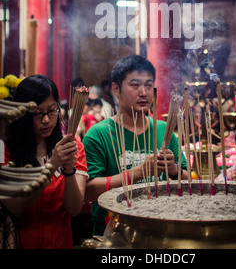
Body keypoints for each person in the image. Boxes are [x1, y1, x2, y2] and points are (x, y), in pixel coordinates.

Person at [83, 54, 188, 236]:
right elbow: (87, 192)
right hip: (115, 233)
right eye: (135, 85)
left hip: (161, 230)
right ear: (116, 89)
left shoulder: (165, 130)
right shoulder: (98, 135)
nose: (143, 92)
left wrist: (173, 169)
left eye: (148, 85)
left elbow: (188, 180)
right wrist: (139, 172)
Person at [2, 75, 88, 249]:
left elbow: (74, 209)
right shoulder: (5, 149)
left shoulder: (72, 146)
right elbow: (16, 208)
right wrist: (52, 166)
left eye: (51, 110)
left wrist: (69, 169)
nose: (46, 120)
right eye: (38, 114)